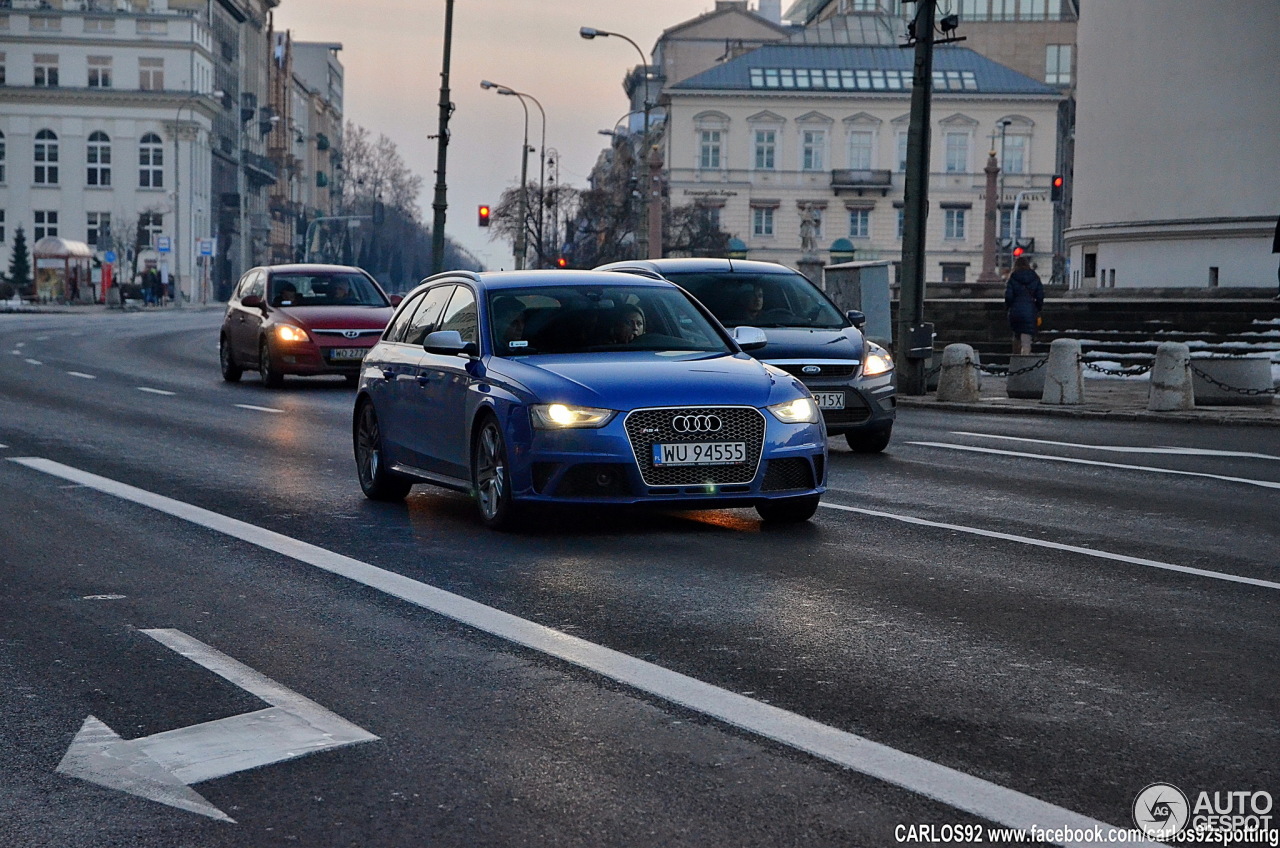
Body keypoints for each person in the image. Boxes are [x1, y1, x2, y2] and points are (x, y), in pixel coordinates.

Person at [1004, 255, 1044, 355]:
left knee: (1016, 336)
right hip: (1030, 310)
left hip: (1015, 311)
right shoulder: (1034, 277)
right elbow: (1040, 296)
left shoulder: (1013, 277)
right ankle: (1025, 360)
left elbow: (1008, 296)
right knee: (1026, 338)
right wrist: (1037, 308)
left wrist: (1009, 307)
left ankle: (1015, 361)